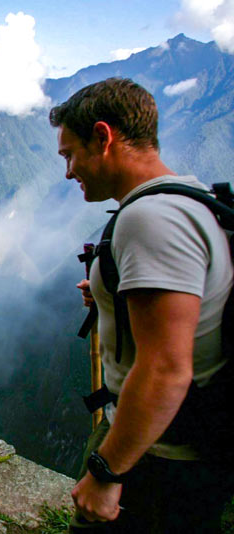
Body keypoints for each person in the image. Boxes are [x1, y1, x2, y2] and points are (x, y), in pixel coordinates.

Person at [50, 78, 234, 533]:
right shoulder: (191, 197)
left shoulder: (149, 220)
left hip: (157, 458)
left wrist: (108, 471)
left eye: (70, 154)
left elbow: (166, 368)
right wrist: (113, 296)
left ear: (103, 137)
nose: (69, 172)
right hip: (181, 446)